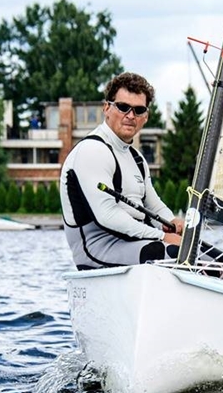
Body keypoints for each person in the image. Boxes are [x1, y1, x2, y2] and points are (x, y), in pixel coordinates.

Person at [60, 72, 184, 270]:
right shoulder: (92, 150)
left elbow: (154, 205)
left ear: (146, 116)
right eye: (123, 107)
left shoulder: (137, 159)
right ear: (106, 108)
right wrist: (162, 236)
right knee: (173, 254)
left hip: (134, 243)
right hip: (98, 249)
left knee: (217, 264)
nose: (130, 116)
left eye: (138, 110)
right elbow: (107, 215)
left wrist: (172, 222)